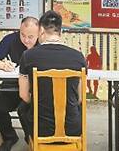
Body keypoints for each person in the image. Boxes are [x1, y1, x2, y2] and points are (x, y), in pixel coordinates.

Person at [18, 10, 87, 144]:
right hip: (72, 129)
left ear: (41, 30)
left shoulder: (28, 56)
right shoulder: (78, 57)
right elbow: (80, 98)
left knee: (24, 108)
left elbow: (24, 95)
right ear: (60, 32)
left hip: (40, 130)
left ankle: (34, 143)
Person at [0, 16, 40, 151]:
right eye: (23, 35)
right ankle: (9, 137)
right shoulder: (11, 39)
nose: (26, 40)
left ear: (39, 33)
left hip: (34, 89)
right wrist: (3, 65)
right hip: (12, 85)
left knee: (24, 111)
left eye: (30, 37)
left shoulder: (43, 43)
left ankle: (31, 139)